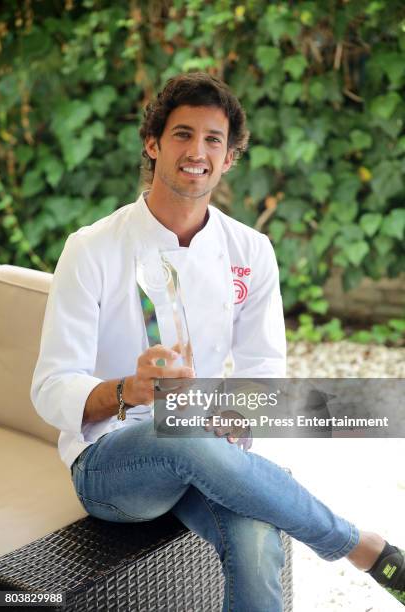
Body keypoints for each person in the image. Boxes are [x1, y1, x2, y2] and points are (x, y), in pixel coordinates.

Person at [31, 72, 404, 611]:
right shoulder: (91, 249)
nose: (197, 151)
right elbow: (50, 389)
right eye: (182, 134)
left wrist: (240, 412)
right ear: (153, 144)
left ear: (229, 158)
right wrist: (129, 390)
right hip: (112, 463)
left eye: (213, 140)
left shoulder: (250, 252)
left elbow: (263, 374)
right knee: (181, 429)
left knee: (255, 539)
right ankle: (364, 548)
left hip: (211, 453)